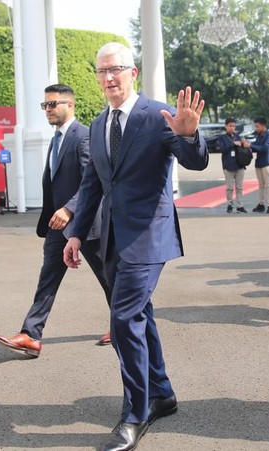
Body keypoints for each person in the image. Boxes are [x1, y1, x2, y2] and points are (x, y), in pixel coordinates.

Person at [63, 42, 208, 451]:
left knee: (123, 318)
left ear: (134, 72)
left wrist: (190, 133)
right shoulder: (97, 123)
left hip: (149, 235)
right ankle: (161, 393)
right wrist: (75, 233)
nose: (109, 78)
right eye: (102, 71)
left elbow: (194, 160)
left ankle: (136, 412)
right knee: (140, 314)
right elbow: (92, 185)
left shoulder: (158, 114)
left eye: (117, 69)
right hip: (111, 237)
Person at [0, 84, 112, 357]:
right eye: (45, 105)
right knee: (48, 278)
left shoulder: (83, 136)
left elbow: (92, 182)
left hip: (85, 222)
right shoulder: (57, 138)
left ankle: (126, 325)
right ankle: (30, 335)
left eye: (53, 104)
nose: (47, 109)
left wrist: (70, 209)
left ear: (70, 105)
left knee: (109, 278)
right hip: (57, 226)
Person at [244, 117, 269, 213]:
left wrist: (250, 145)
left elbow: (265, 148)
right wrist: (247, 144)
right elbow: (256, 146)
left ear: (263, 125)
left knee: (268, 184)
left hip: (267, 162)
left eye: (257, 126)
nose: (256, 128)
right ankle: (261, 203)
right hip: (259, 163)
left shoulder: (268, 135)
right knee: (261, 185)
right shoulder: (259, 135)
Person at [217, 117, 247, 213]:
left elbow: (243, 148)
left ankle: (240, 205)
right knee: (229, 187)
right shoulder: (222, 138)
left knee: (239, 187)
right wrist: (233, 144)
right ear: (226, 126)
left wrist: (243, 143)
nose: (232, 128)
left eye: (234, 126)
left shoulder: (238, 136)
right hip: (228, 165)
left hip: (239, 165)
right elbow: (221, 149)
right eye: (230, 126)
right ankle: (229, 204)